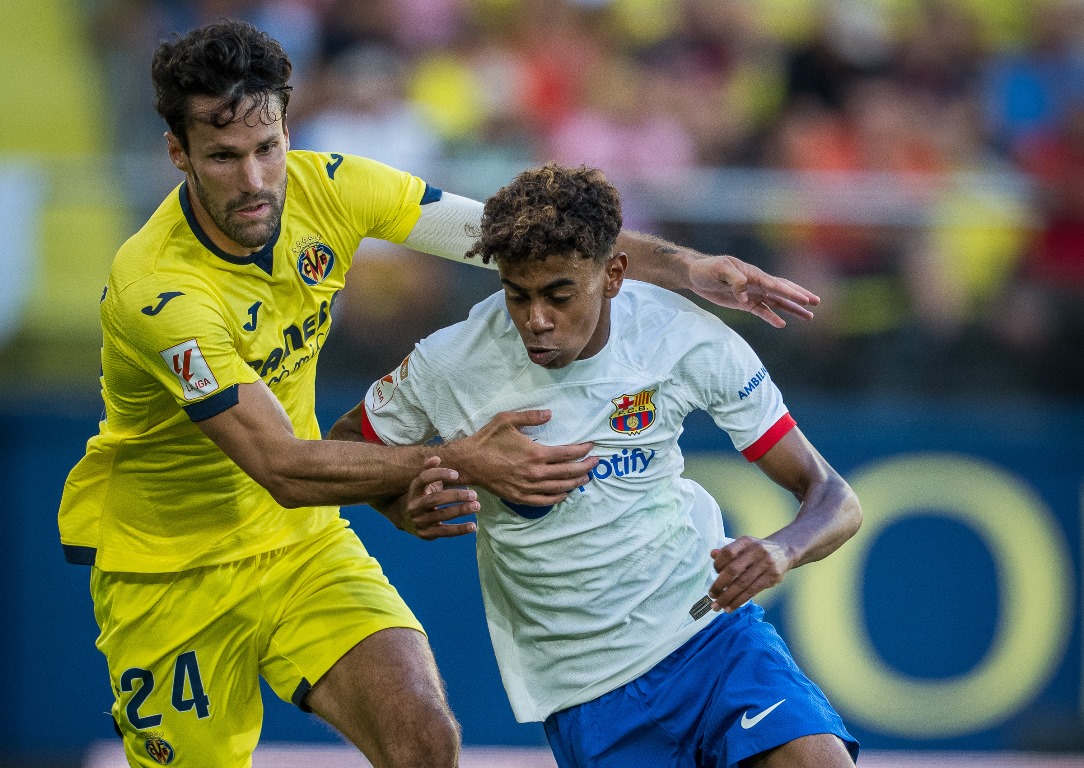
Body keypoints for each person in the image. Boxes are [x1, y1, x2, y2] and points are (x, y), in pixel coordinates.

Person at [57, 20, 823, 768]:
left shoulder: (336, 187)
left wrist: (686, 268)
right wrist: (461, 459)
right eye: (224, 157)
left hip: (296, 547)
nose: (256, 181)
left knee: (424, 741)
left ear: (289, 129)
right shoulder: (158, 290)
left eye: (268, 148)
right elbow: (282, 466)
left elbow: (521, 237)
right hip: (169, 569)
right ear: (177, 152)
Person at [331, 163, 862, 767]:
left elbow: (832, 495)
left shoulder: (682, 337)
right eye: (517, 294)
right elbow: (345, 448)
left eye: (559, 296)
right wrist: (405, 503)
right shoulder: (450, 363)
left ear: (613, 274)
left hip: (709, 636)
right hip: (586, 688)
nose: (536, 319)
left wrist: (783, 549)